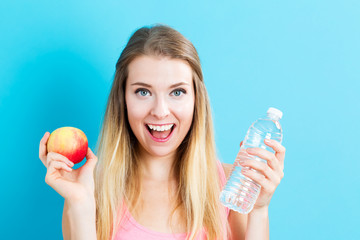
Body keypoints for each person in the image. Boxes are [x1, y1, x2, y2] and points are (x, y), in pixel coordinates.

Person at [39, 24, 286, 240]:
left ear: (196, 100)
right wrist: (81, 204)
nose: (160, 111)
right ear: (122, 99)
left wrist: (260, 208)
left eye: (177, 92)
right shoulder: (89, 187)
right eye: (143, 92)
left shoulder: (232, 184)